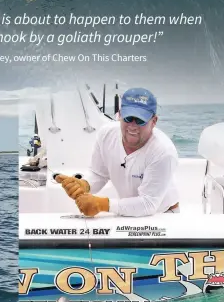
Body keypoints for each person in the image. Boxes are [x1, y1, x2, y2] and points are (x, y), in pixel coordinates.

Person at [56, 87, 179, 216]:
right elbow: (99, 174)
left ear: (154, 121)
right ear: (119, 115)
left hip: (163, 215)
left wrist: (102, 204)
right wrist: (84, 185)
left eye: (140, 120)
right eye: (128, 118)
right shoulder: (106, 135)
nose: (132, 125)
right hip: (129, 213)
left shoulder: (164, 151)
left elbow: (148, 204)